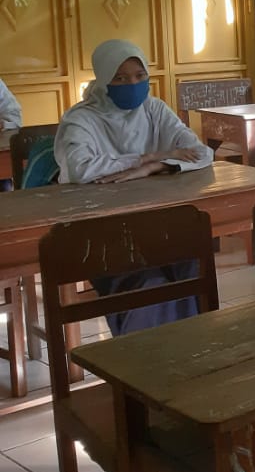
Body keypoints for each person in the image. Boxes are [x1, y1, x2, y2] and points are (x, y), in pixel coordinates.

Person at [54, 39, 213, 336]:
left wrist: (154, 168)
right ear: (103, 79)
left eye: (140, 76)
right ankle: (145, 368)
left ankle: (194, 356)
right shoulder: (82, 118)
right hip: (102, 232)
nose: (133, 84)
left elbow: (201, 153)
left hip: (156, 221)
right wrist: (147, 157)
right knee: (145, 285)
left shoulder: (153, 109)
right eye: (120, 78)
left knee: (191, 268)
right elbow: (80, 168)